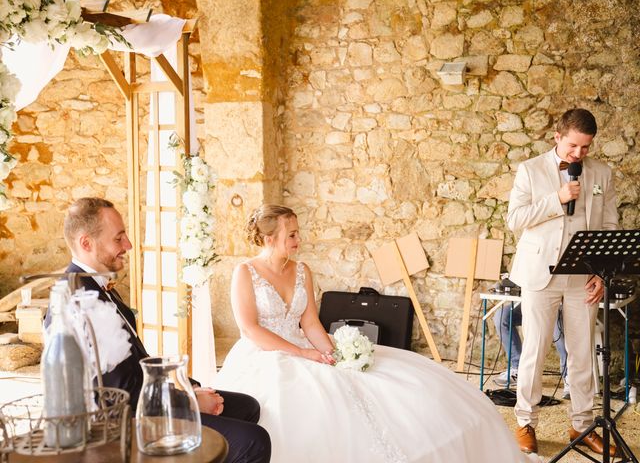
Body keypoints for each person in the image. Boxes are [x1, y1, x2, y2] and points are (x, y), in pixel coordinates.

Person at [214, 204, 538, 463]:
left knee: (381, 382)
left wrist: (332, 351)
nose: (300, 241)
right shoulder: (245, 273)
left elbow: (311, 322)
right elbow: (250, 329)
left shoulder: (302, 270)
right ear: (269, 239)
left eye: (298, 233)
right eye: (292, 235)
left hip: (304, 346)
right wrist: (302, 354)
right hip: (264, 355)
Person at [56, 197, 271, 463]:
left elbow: (134, 364)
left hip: (141, 401)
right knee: (254, 441)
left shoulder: (96, 287)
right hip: (124, 426)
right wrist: (186, 400)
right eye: (118, 238)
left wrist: (188, 387)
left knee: (247, 406)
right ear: (86, 243)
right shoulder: (80, 303)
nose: (129, 245)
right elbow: (118, 399)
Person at [507, 109, 619, 456]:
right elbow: (515, 219)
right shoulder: (530, 170)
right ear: (557, 136)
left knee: (583, 352)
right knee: (535, 350)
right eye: (573, 146)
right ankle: (526, 422)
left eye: (585, 148)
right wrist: (556, 199)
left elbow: (610, 227)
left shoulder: (602, 173)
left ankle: (583, 424)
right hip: (540, 274)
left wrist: (602, 272)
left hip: (582, 277)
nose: (578, 155)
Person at [493, 302, 570, 400]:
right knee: (502, 316)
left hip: (556, 303)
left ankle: (568, 376)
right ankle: (517, 369)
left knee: (557, 318)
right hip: (533, 299)